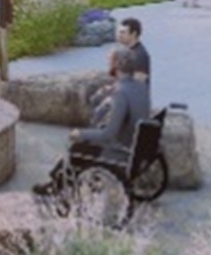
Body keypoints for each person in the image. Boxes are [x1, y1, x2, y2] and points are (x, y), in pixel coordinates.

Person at [32, 47, 151, 197]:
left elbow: (108, 134)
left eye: (110, 61)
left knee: (77, 147)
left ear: (116, 65)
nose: (108, 63)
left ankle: (56, 185)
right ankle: (56, 181)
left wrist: (81, 133)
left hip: (119, 150)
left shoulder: (121, 93)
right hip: (135, 143)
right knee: (85, 143)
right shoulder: (140, 86)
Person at [117, 17, 151, 84]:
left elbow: (138, 85)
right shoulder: (126, 50)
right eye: (118, 32)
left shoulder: (140, 56)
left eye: (123, 32)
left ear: (133, 34)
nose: (119, 35)